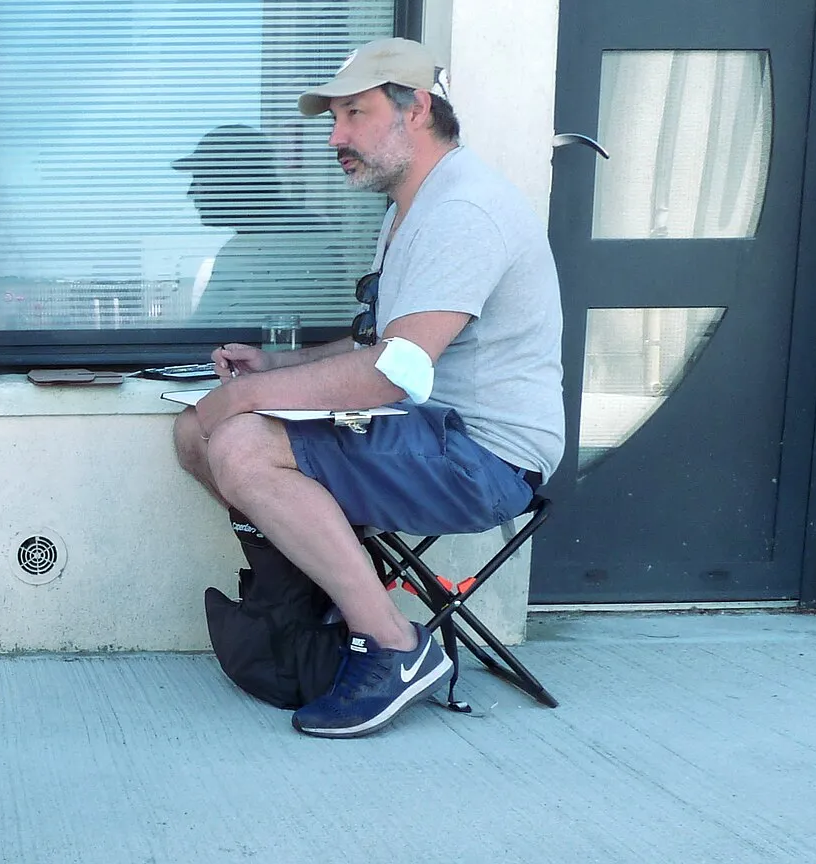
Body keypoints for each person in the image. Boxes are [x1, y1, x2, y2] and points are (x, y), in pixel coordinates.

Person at [172, 38, 563, 738]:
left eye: (354, 114)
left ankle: (393, 645)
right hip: (421, 432)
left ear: (416, 111)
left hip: (482, 458)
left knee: (238, 443)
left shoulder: (463, 212)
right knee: (193, 433)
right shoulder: (410, 208)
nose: (336, 136)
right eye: (334, 119)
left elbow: (395, 371)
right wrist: (274, 369)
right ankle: (304, 602)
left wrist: (246, 398)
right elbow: (375, 348)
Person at [172, 123, 337, 326]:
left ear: (229, 178)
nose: (191, 192)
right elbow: (201, 332)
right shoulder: (244, 246)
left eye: (199, 179)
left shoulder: (295, 237)